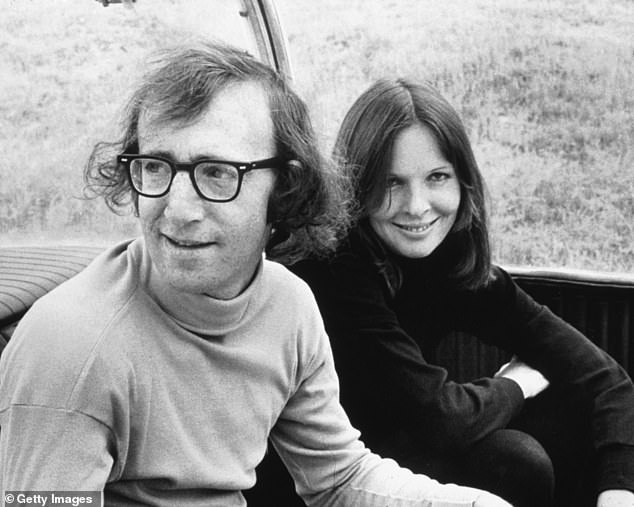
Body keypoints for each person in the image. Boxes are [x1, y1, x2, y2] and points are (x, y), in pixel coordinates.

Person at [0, 43, 512, 507]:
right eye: (155, 166)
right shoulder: (70, 351)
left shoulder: (287, 306)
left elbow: (338, 478)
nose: (178, 210)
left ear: (284, 188)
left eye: (217, 173)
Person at [289, 78, 634, 507]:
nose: (417, 206)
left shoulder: (451, 261)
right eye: (391, 182)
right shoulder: (333, 269)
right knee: (514, 460)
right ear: (356, 188)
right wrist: (514, 385)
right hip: (337, 484)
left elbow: (607, 381)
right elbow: (438, 420)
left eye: (437, 177)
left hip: (408, 451)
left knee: (572, 407)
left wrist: (619, 493)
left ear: (462, 180)